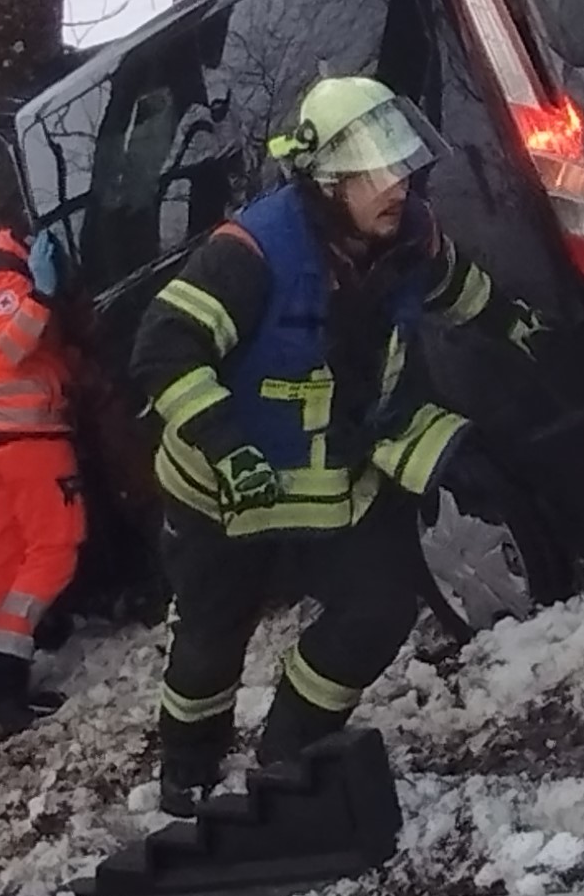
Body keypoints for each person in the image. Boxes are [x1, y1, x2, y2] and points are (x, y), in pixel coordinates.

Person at [130, 75, 544, 814]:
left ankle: (292, 751)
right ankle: (186, 773)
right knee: (209, 644)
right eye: (374, 173)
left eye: (401, 166)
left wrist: (513, 320)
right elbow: (163, 349)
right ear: (324, 181)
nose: (398, 187)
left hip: (327, 483)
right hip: (219, 493)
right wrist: (230, 450)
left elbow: (454, 285)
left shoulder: (410, 237)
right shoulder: (251, 253)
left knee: (378, 608)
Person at [0, 147, 79, 734]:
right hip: (28, 438)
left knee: (6, 550)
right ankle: (4, 676)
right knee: (55, 546)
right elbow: (10, 347)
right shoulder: (9, 274)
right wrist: (44, 297)